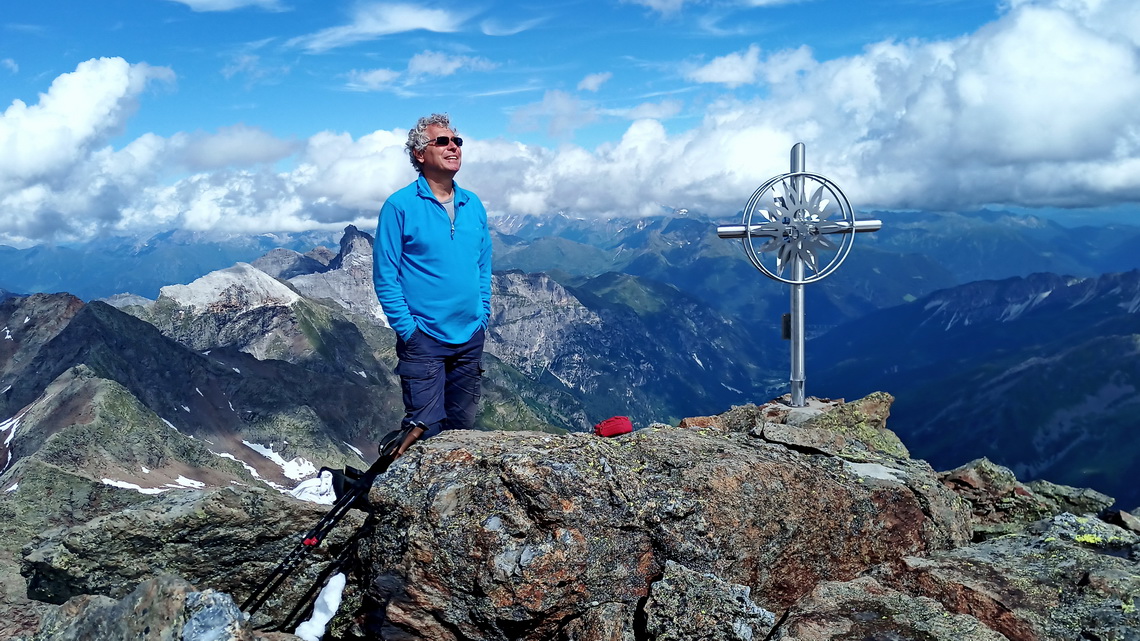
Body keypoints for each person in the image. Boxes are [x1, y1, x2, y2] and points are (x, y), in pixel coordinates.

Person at [373, 113, 492, 443]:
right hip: (424, 340)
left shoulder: (473, 204)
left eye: (457, 141)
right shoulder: (399, 206)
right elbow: (385, 275)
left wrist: (482, 315)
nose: (454, 146)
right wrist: (410, 331)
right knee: (425, 431)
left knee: (460, 434)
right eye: (443, 141)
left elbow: (483, 265)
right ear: (420, 154)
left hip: (469, 337)